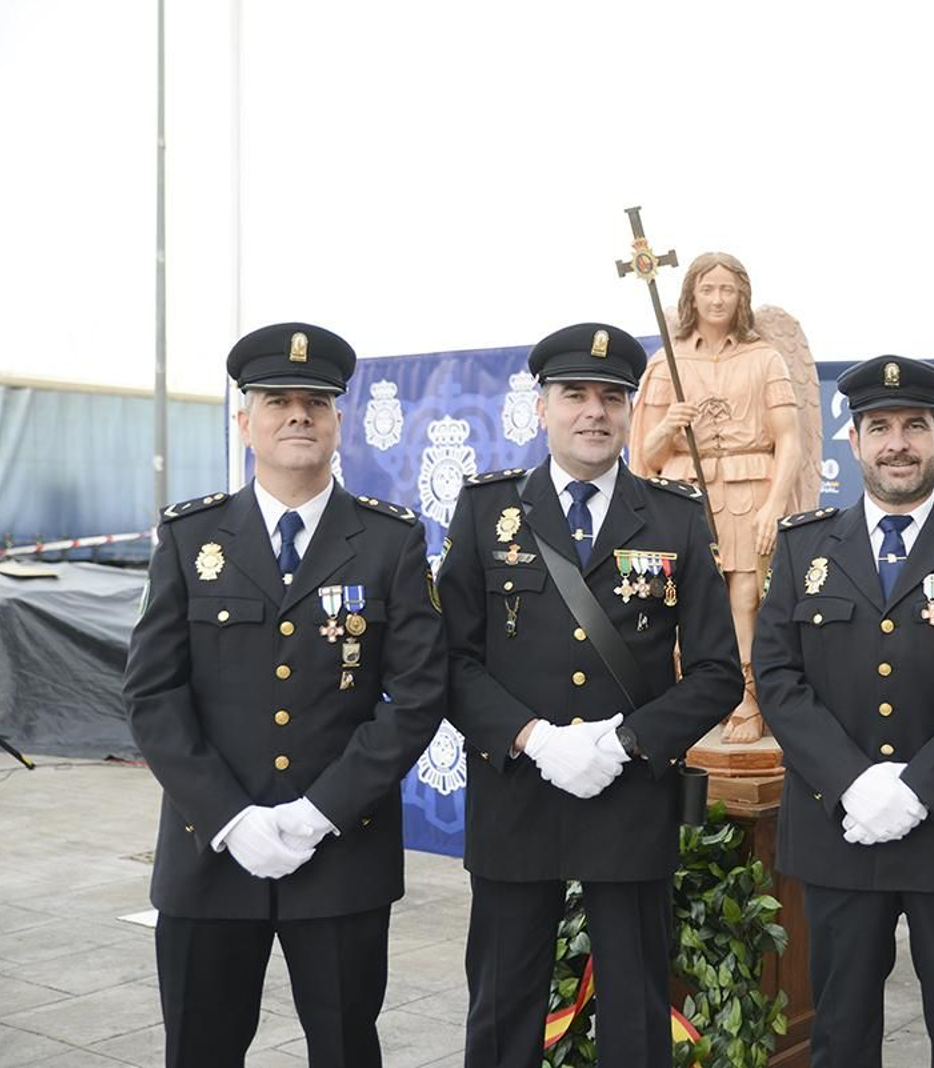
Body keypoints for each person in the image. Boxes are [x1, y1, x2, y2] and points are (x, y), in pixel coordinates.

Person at [124, 322, 447, 1068]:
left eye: (315, 403)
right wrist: (229, 818)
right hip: (209, 855)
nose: (298, 415)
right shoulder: (191, 537)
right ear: (246, 422)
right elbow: (152, 693)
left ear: (338, 422)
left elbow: (417, 694)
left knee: (345, 1048)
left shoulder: (390, 541)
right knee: (201, 1049)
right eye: (278, 401)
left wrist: (319, 812)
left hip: (341, 856)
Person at [439, 322, 740, 1068]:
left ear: (631, 409)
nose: (594, 412)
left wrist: (622, 743)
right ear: (542, 406)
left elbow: (717, 673)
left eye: (612, 396)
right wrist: (535, 739)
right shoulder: (487, 512)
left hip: (629, 796)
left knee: (636, 1010)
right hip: (517, 795)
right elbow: (450, 662)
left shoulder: (674, 517)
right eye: (575, 394)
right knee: (502, 1005)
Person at [753, 356, 934, 1068]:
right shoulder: (804, 545)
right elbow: (778, 677)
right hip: (838, 829)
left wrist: (917, 789)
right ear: (854, 440)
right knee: (840, 1032)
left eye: (914, 426)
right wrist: (852, 782)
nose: (897, 444)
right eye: (879, 427)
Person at [630, 252, 802, 742]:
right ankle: (693, 697)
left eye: (728, 289)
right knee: (688, 598)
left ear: (742, 295)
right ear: (692, 295)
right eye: (708, 289)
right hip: (687, 495)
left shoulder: (765, 358)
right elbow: (646, 453)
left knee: (745, 596)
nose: (718, 299)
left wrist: (774, 506)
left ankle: (747, 698)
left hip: (750, 490)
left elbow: (789, 439)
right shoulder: (667, 362)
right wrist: (670, 424)